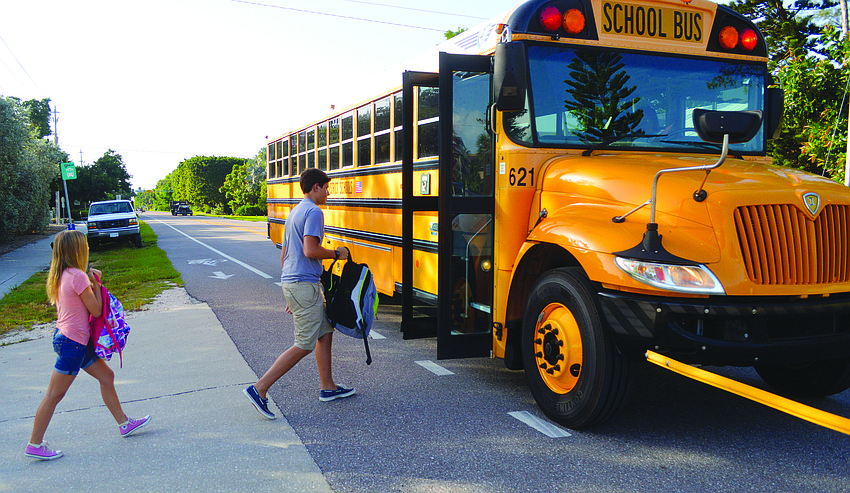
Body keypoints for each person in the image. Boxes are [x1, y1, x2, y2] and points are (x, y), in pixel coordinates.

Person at [25, 230, 150, 461]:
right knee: (54, 395)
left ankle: (123, 423)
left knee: (107, 377)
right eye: (85, 246)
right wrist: (95, 283)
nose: (88, 249)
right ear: (77, 250)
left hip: (69, 339)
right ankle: (35, 443)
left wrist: (92, 282)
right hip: (73, 343)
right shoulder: (78, 276)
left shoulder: (62, 274)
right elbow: (96, 309)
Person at [244, 168, 354, 420]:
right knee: (304, 343)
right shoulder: (314, 211)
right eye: (326, 187)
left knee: (325, 332)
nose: (328, 192)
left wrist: (290, 292)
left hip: (296, 283)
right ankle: (259, 388)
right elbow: (310, 250)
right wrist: (337, 253)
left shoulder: (295, 211)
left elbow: (285, 254)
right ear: (315, 187)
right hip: (303, 284)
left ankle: (328, 387)